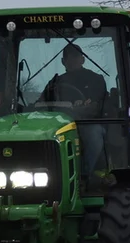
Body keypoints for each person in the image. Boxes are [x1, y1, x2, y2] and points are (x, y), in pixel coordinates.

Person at [38, 44, 110, 178]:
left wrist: (84, 107)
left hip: (87, 123)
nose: (72, 61)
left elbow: (98, 105)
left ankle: (83, 175)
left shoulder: (96, 80)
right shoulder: (55, 83)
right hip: (58, 126)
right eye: (68, 58)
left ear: (82, 59)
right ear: (63, 61)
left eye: (75, 57)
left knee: (94, 133)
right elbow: (40, 104)